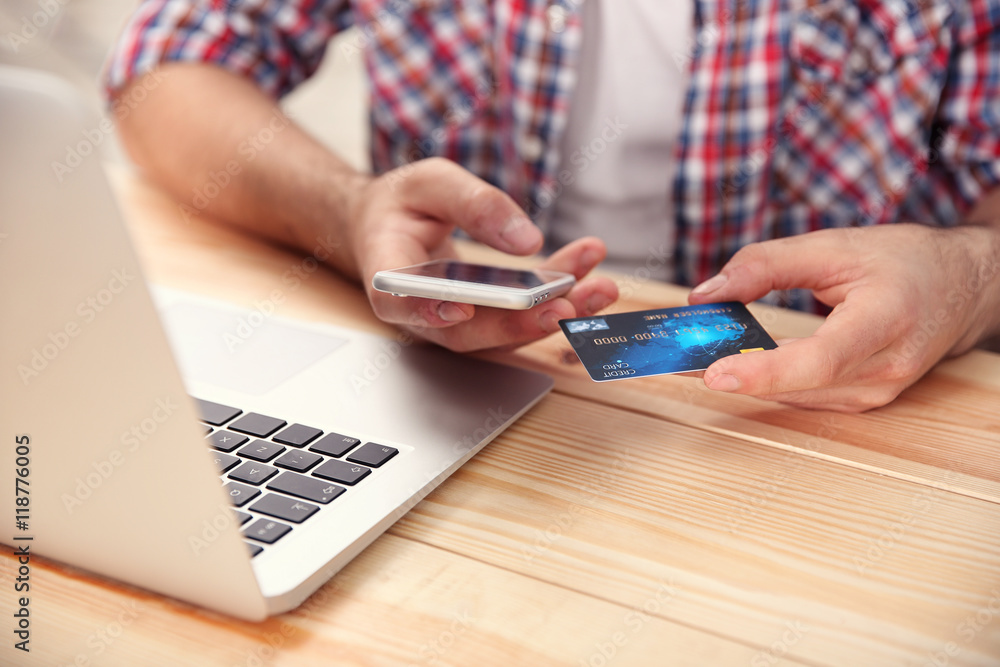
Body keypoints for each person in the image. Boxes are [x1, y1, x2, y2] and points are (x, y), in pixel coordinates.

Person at [104, 0, 1000, 412]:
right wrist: (348, 214)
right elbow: (163, 71)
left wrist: (968, 273)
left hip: (819, 415)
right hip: (458, 392)